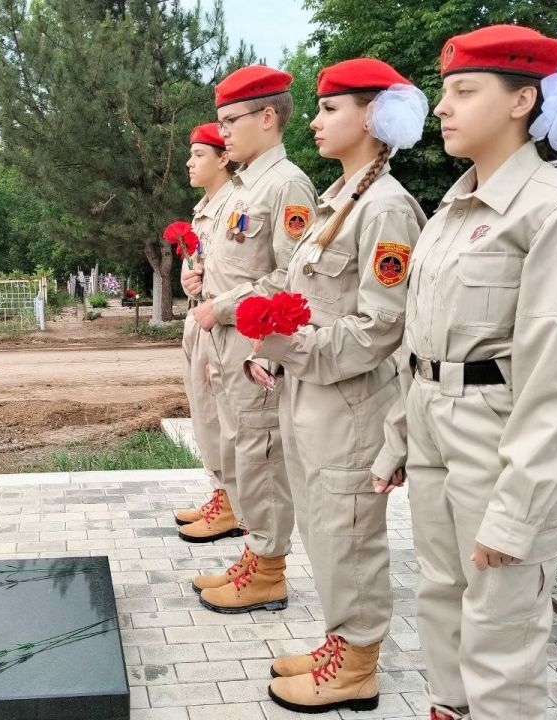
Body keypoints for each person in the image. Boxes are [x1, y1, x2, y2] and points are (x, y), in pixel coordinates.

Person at [368, 25, 557, 720]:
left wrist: (519, 509)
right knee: (441, 595)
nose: (441, 107)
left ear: (523, 101)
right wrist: (398, 437)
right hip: (436, 426)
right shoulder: (451, 209)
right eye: (445, 92)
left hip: (500, 443)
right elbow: (422, 345)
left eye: (465, 91)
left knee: (500, 625)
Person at [246, 58, 427, 713]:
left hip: (350, 403)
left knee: (349, 536)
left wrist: (288, 346)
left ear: (374, 116)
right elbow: (309, 299)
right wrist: (271, 335)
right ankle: (339, 643)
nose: (316, 122)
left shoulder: (386, 209)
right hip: (311, 395)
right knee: (324, 530)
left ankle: (356, 667)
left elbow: (381, 328)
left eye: (330, 108)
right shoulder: (340, 200)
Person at [181, 65, 317, 612]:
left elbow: (292, 277)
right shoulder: (243, 186)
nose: (224, 132)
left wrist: (222, 306)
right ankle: (256, 556)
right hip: (225, 339)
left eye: (231, 120)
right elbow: (234, 265)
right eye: (221, 121)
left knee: (260, 454)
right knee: (240, 447)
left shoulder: (286, 185)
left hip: (254, 343)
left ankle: (269, 570)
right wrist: (203, 285)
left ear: (267, 117)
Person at [174, 123, 246, 542]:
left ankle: (233, 504)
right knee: (204, 413)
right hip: (199, 318)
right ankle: (221, 493)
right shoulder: (204, 211)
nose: (190, 162)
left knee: (224, 417)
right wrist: (188, 280)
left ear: (223, 159)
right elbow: (201, 267)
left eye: (199, 154)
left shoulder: (236, 205)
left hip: (224, 324)